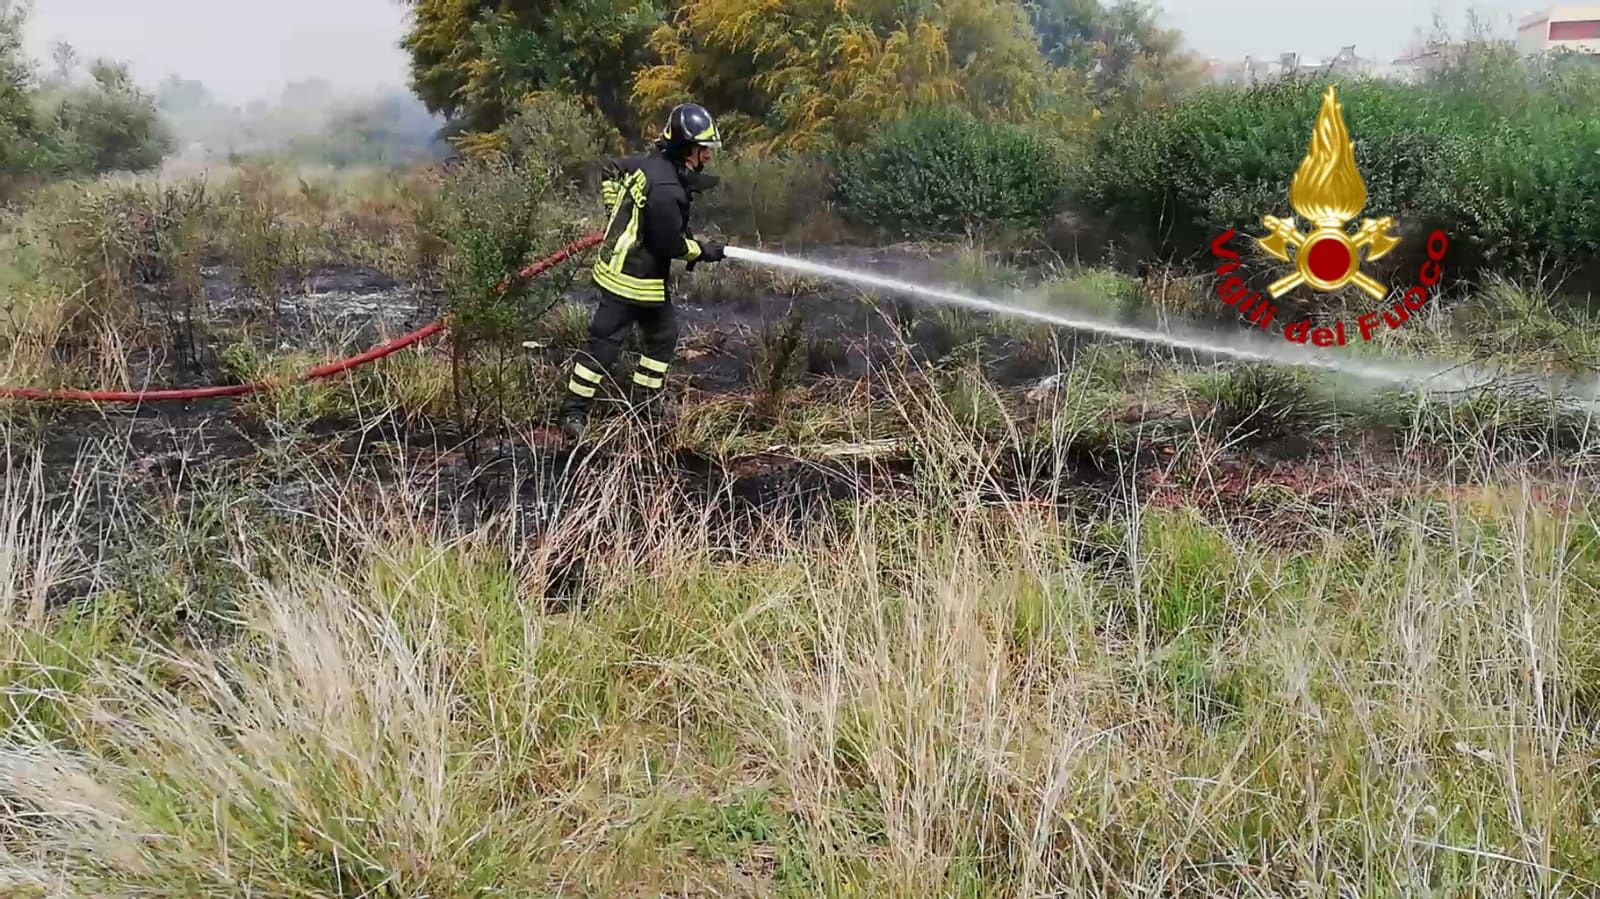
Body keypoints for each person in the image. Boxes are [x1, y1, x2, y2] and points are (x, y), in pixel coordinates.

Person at [558, 103, 728, 440]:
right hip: (630, 279)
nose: (707, 157)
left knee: (662, 338)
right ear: (686, 148)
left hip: (635, 275)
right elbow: (671, 245)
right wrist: (705, 251)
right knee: (605, 347)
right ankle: (574, 413)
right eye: (703, 149)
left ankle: (642, 404)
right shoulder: (666, 191)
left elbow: (610, 168)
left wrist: (613, 209)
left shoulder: (651, 165)